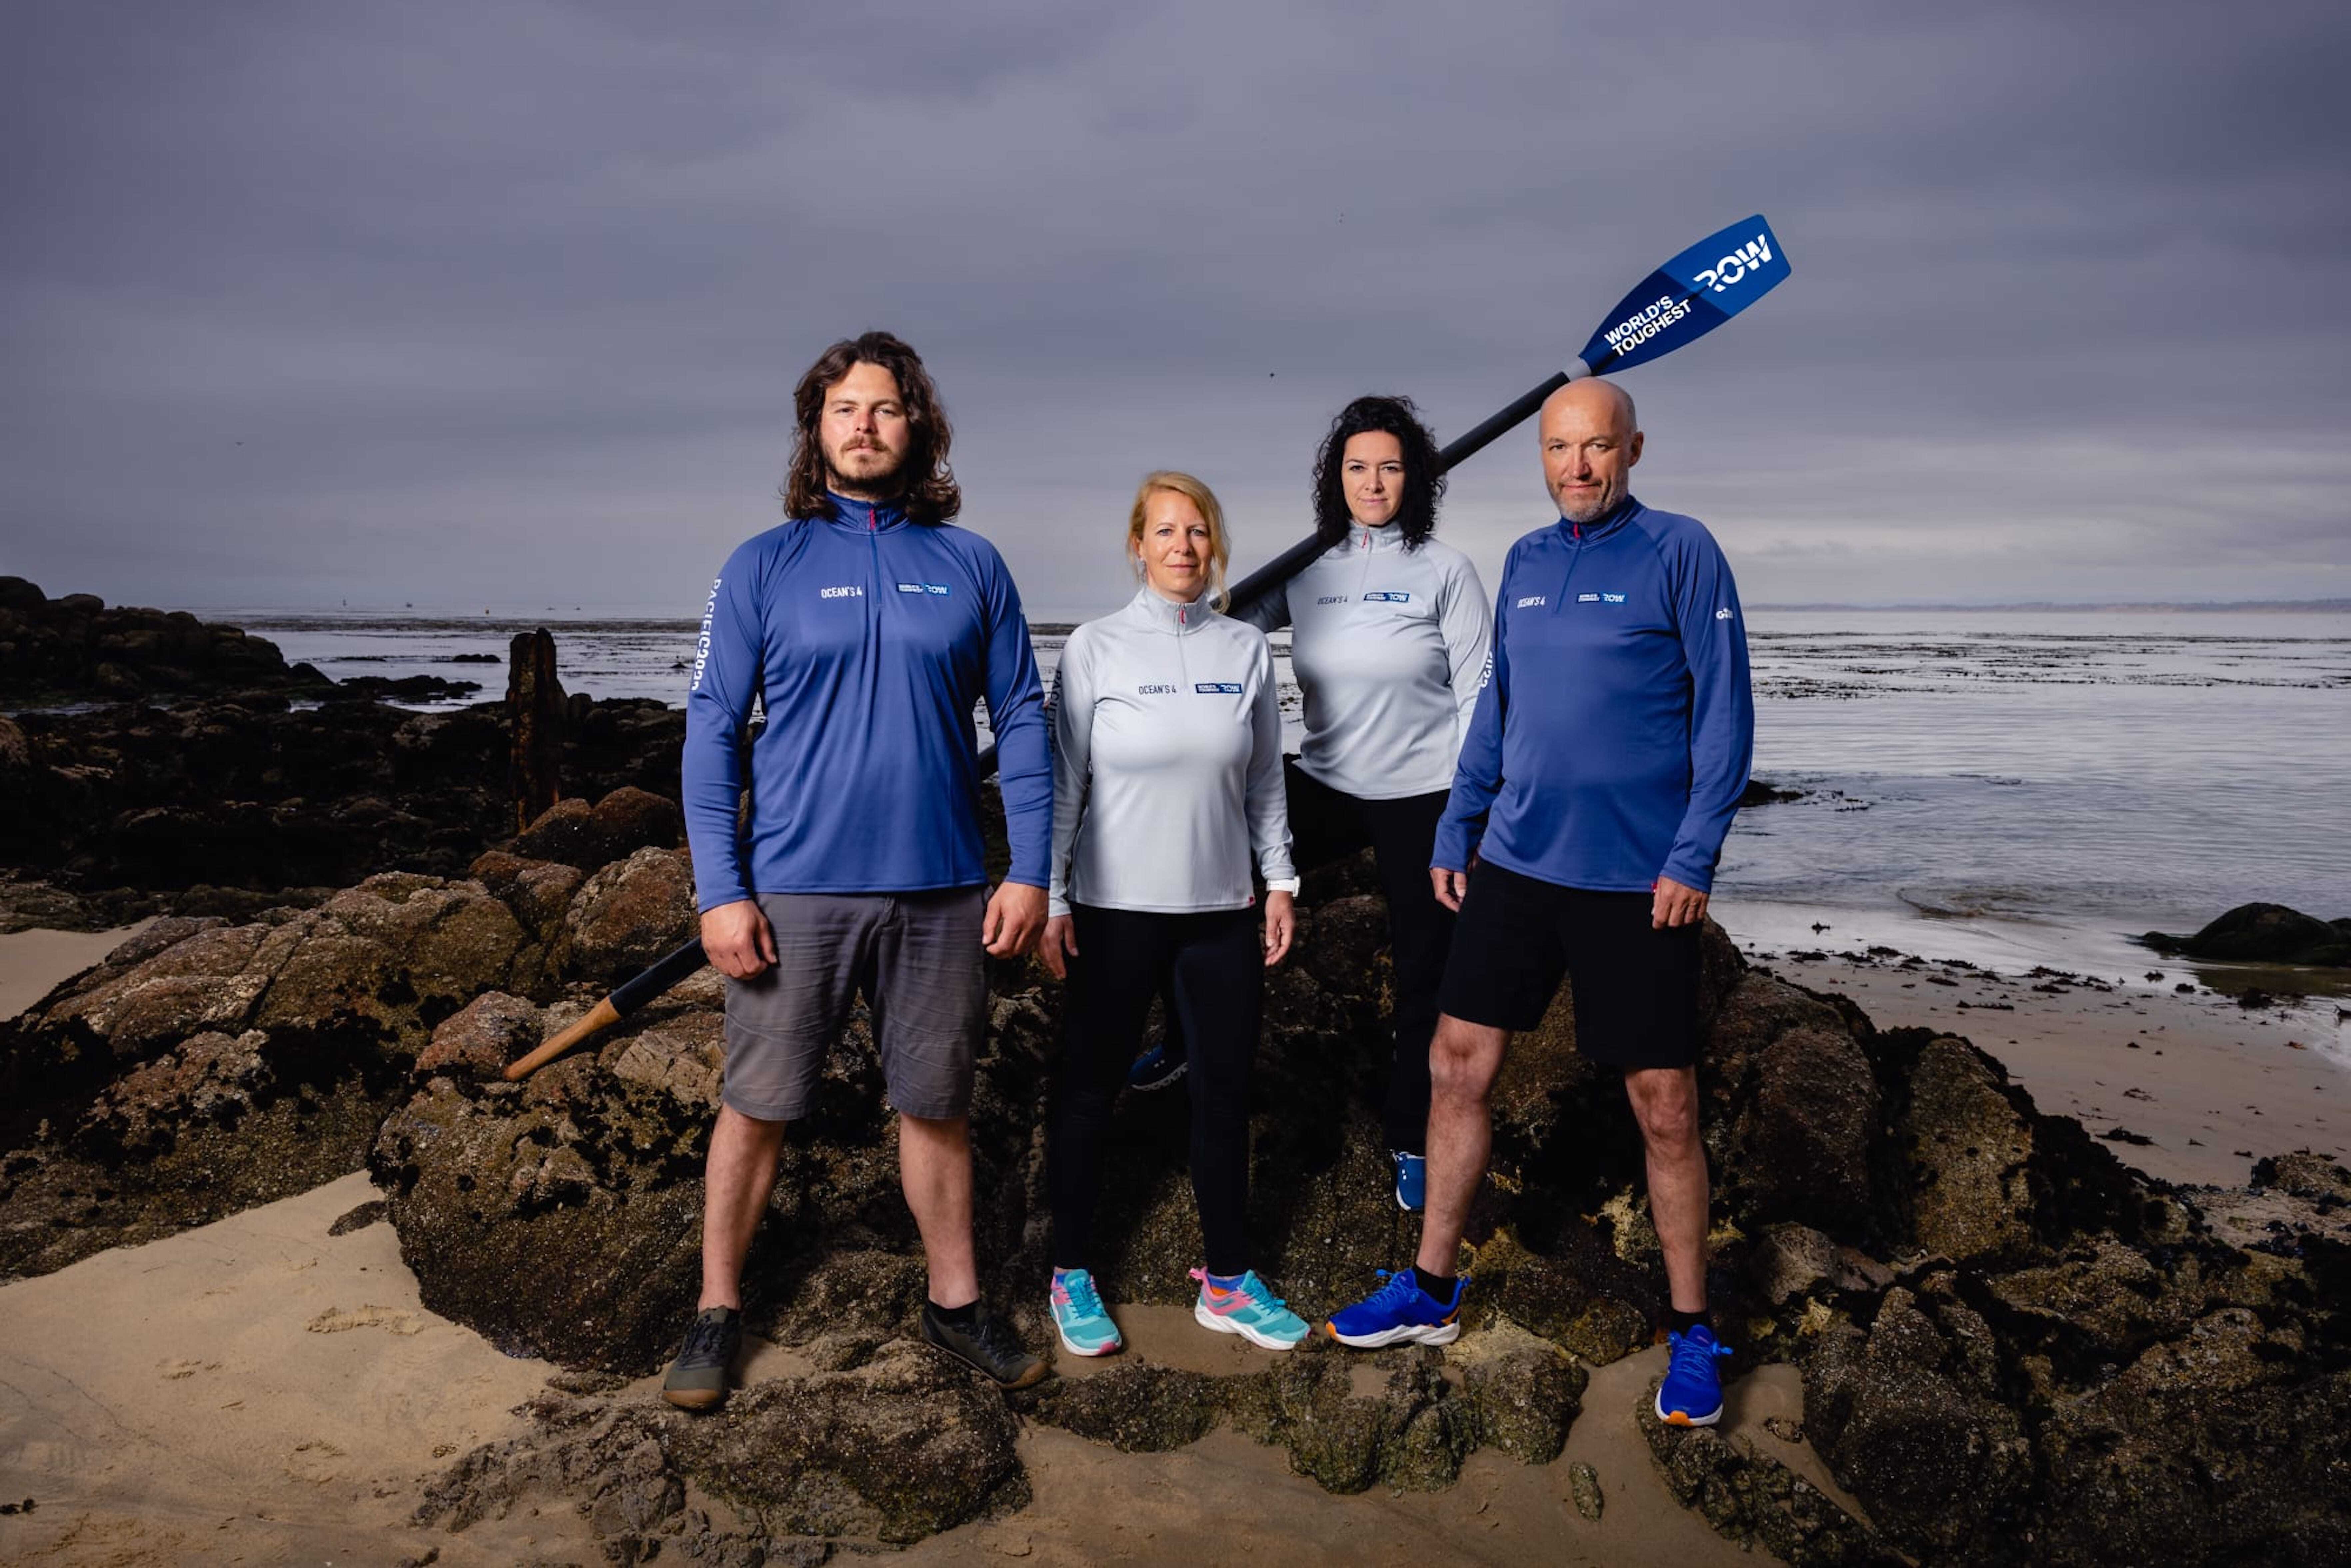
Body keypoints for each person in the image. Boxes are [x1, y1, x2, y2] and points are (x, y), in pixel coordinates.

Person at [1322, 379, 1755, 1431]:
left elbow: (1728, 714)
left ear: (1634, 449)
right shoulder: (1522, 561)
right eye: (1560, 449)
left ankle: (1692, 1325)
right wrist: (1458, 822)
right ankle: (1431, 1289)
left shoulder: (1681, 551)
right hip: (1518, 863)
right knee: (1456, 1062)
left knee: (1664, 1104)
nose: (1577, 467)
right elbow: (1496, 711)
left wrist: (1693, 857)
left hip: (1637, 881)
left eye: (1596, 448)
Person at [667, 331, 1053, 1407]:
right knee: (758, 1103)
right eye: (846, 409)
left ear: (917, 426)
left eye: (885, 408)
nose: (866, 426)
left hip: (940, 886)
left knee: (937, 1106)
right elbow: (713, 727)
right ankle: (717, 1310)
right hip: (795, 889)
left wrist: (1031, 870)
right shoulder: (763, 564)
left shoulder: (971, 563)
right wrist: (721, 887)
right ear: (817, 428)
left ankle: (956, 1304)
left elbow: (1022, 716)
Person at [1035, 470, 1309, 1357]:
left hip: (1223, 912)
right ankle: (1070, 1271)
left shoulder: (1243, 649)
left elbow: (1266, 778)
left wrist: (1280, 882)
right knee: (1086, 1092)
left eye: (1197, 532)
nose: (1184, 547)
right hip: (1116, 913)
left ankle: (1226, 1280)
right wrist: (1052, 897)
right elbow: (1065, 784)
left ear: (1214, 546)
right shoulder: (1095, 649)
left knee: (1223, 1095)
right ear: (1137, 545)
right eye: (1166, 532)